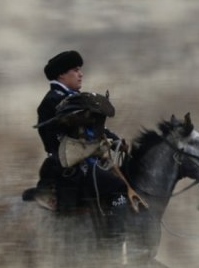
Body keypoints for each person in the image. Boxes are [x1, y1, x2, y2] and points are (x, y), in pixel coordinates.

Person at [27, 50, 128, 222]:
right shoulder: (51, 101)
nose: (80, 74)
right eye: (75, 70)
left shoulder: (77, 99)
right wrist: (88, 149)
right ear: (61, 75)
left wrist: (116, 140)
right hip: (71, 165)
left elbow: (96, 128)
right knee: (118, 186)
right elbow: (53, 140)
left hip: (91, 160)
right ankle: (114, 238)